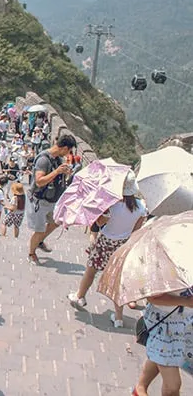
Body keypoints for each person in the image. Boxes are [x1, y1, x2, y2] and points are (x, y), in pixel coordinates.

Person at [68, 172, 147, 327]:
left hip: (105, 242)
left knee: (91, 271)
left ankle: (80, 296)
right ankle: (118, 318)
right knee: (118, 281)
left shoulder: (111, 204)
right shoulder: (141, 207)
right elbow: (136, 231)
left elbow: (98, 222)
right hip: (123, 245)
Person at [25, 134, 77, 265]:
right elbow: (39, 181)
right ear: (64, 148)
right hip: (40, 200)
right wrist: (57, 172)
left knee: (56, 221)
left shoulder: (57, 159)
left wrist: (65, 173)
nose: (68, 154)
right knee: (39, 229)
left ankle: (39, 241)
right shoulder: (44, 160)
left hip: (52, 200)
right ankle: (31, 253)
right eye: (69, 150)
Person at [133, 286, 193, 396]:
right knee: (172, 386)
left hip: (186, 322)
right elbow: (152, 297)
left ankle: (140, 387)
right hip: (165, 326)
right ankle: (140, 388)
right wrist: (185, 301)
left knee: (160, 357)